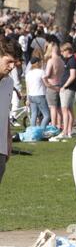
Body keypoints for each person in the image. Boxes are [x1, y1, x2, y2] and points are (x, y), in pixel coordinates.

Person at [0, 37, 22, 184]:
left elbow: (5, 114)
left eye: (15, 62)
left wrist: (8, 142)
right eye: (9, 61)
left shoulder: (9, 82)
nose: (12, 66)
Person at [51, 43, 76, 141]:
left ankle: (65, 131)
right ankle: (69, 130)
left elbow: (73, 75)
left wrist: (65, 86)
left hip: (68, 88)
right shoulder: (69, 60)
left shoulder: (72, 60)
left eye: (63, 51)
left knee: (65, 110)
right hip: (68, 88)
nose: (62, 53)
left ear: (67, 50)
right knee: (69, 110)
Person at [42, 42, 64, 130]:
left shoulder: (51, 61)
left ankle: (53, 126)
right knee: (59, 108)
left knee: (53, 108)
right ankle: (59, 125)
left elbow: (47, 74)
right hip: (60, 85)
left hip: (52, 85)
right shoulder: (61, 60)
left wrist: (44, 80)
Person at [25, 57, 50, 128]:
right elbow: (46, 84)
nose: (41, 63)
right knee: (47, 115)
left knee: (34, 114)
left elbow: (27, 87)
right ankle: (41, 130)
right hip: (39, 95)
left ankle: (33, 131)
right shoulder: (41, 72)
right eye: (40, 62)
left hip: (31, 96)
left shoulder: (28, 73)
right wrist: (56, 88)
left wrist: (27, 99)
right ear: (37, 63)